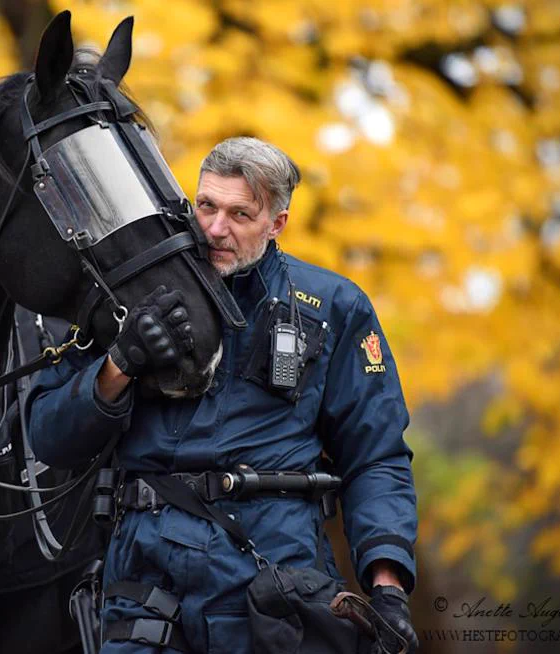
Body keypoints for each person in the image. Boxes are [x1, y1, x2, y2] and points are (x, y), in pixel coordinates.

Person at [28, 137, 419, 653]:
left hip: (272, 580)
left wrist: (387, 588)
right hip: (147, 577)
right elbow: (48, 438)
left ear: (277, 223)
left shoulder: (333, 305)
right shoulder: (128, 293)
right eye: (206, 206)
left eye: (240, 214)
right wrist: (119, 362)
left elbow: (377, 456)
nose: (215, 229)